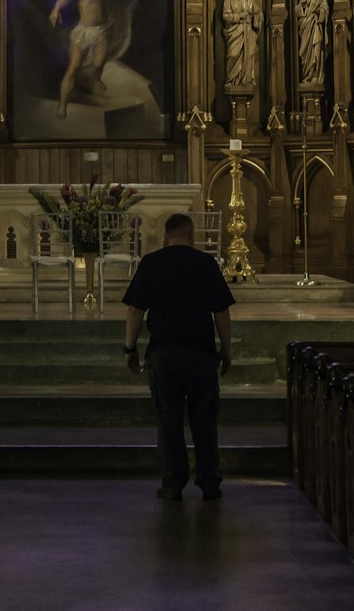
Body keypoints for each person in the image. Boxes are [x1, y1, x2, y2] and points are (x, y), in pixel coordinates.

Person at [122, 211, 235, 502]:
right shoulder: (206, 263)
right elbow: (221, 310)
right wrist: (227, 349)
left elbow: (135, 310)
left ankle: (173, 484)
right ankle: (209, 482)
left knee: (169, 422)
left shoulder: (151, 263)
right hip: (200, 351)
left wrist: (130, 348)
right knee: (205, 422)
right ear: (192, 235)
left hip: (164, 352)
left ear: (164, 238)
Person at [49, 0, 128, 118]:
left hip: (101, 30)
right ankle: (62, 105)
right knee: (73, 68)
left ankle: (94, 80)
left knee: (99, 64)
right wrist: (56, 8)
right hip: (82, 31)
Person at [221, 0, 261, 86]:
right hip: (234, 32)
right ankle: (231, 79)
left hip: (248, 32)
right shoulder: (228, 0)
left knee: (248, 55)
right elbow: (225, 15)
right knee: (233, 54)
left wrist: (256, 19)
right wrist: (239, 16)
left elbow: (258, 12)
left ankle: (247, 79)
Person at [298, 0, 329, 85]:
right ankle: (307, 75)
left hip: (315, 26)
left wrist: (319, 11)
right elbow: (298, 11)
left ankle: (314, 75)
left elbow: (325, 8)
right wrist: (303, 7)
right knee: (305, 54)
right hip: (305, 26)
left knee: (315, 52)